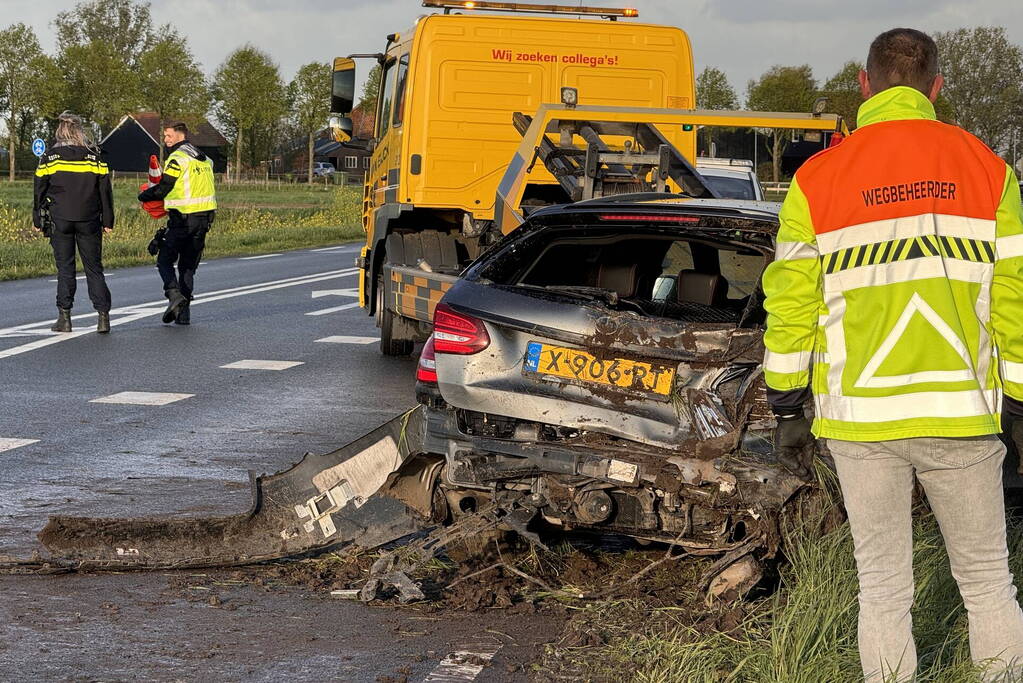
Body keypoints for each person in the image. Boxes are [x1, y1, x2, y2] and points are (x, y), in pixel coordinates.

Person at [762, 28, 1023, 681]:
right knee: (989, 585)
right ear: (935, 88)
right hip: (962, 415)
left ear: (863, 84)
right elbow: (1014, 300)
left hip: (861, 420)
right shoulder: (988, 169)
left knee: (881, 593)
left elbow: (791, 305)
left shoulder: (815, 180)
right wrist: (1017, 400)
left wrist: (785, 403)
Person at [33, 111, 113, 334]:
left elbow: (38, 190)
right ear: (80, 130)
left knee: (65, 269)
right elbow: (105, 192)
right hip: (89, 219)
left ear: (60, 130)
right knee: (94, 268)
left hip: (61, 219)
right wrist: (108, 220)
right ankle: (103, 317)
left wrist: (37, 218)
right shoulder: (95, 157)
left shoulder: (49, 157)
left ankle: (64, 318)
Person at [138, 122, 217, 325]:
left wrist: (144, 196)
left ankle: (174, 296)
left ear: (180, 136)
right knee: (187, 267)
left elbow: (165, 187)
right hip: (203, 221)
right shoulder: (206, 159)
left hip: (182, 220)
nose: (165, 140)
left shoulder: (178, 158)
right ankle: (184, 314)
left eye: (168, 136)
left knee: (164, 260)